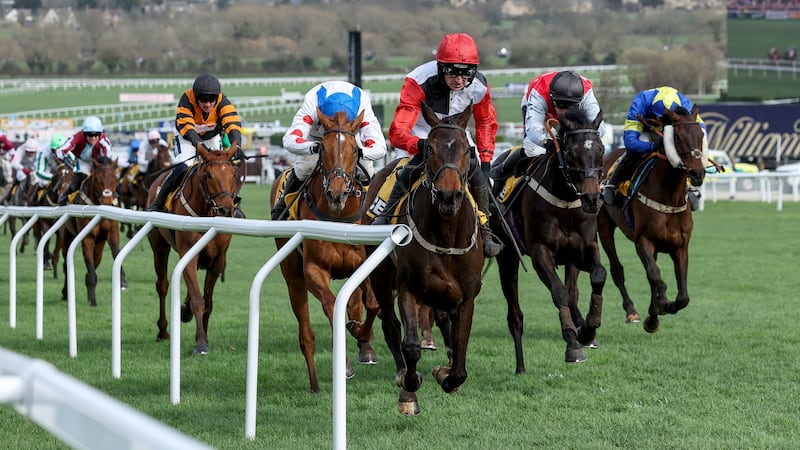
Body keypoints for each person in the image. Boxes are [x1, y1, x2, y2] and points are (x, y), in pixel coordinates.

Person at [373, 32, 503, 258]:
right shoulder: (418, 80)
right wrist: (420, 144)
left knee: (481, 177)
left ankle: (486, 230)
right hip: (423, 133)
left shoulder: (480, 86)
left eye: (466, 73)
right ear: (441, 67)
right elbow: (398, 131)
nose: (459, 80)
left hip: (457, 136)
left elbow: (486, 124)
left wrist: (486, 161)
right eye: (452, 71)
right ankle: (385, 215)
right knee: (407, 169)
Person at [272, 80, 387, 220]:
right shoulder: (312, 103)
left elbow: (380, 147)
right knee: (304, 167)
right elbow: (289, 140)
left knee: (366, 170)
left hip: (349, 138)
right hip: (317, 136)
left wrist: (357, 152)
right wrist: (312, 147)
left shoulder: (362, 105)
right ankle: (283, 207)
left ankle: (378, 214)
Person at [146, 73, 245, 217]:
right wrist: (200, 146)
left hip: (212, 138)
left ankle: (233, 204)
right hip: (187, 138)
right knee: (182, 167)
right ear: (195, 96)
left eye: (212, 99)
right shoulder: (187, 99)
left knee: (224, 169)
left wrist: (238, 146)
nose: (208, 104)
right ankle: (158, 202)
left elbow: (232, 123)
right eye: (203, 100)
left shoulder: (223, 101)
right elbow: (187, 127)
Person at [602, 86, 706, 210]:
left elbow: (699, 132)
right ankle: (612, 183)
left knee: (682, 152)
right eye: (660, 118)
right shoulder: (640, 102)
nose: (661, 121)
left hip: (673, 129)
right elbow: (630, 142)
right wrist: (652, 146)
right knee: (634, 152)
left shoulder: (685, 105)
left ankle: (687, 187)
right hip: (646, 129)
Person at [521, 70, 605, 158]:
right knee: (534, 151)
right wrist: (547, 143)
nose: (565, 111)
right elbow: (533, 129)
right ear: (552, 98)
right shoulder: (539, 93)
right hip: (540, 109)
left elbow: (599, 129)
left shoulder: (587, 94)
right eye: (561, 104)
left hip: (571, 116)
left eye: (571, 106)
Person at [55, 116, 113, 205]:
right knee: (79, 178)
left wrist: (100, 168)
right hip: (83, 161)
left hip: (98, 163)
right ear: (84, 133)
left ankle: (117, 197)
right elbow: (60, 151)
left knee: (108, 178)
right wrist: (65, 159)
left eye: (96, 134)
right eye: (90, 135)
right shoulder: (77, 137)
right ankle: (65, 197)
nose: (93, 138)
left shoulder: (104, 142)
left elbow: (107, 159)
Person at [5, 137, 39, 203]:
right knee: (20, 177)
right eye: (28, 152)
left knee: (37, 180)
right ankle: (10, 194)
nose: (30, 154)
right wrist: (22, 168)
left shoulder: (39, 150)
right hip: (22, 167)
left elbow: (40, 162)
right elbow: (14, 162)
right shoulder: (20, 149)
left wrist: (34, 168)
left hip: (33, 167)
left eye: (32, 152)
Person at [33, 134, 67, 198]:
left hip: (62, 163)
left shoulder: (69, 148)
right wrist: (53, 177)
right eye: (54, 150)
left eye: (60, 150)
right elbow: (39, 172)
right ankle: (35, 198)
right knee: (43, 182)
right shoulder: (43, 152)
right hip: (47, 164)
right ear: (51, 148)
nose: (57, 153)